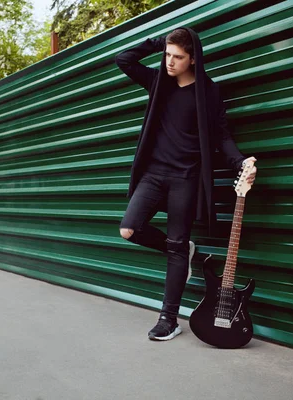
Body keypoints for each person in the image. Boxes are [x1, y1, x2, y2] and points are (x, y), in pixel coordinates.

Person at [115, 27, 257, 341]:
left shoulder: (207, 91)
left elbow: (221, 135)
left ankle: (169, 319)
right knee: (129, 228)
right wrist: (156, 42)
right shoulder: (158, 82)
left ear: (192, 59)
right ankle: (182, 250)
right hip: (154, 174)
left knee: (177, 247)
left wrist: (241, 161)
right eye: (167, 55)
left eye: (177, 57)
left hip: (185, 178)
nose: (170, 62)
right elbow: (123, 60)